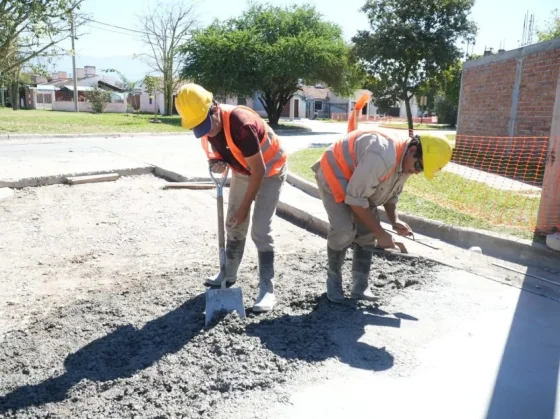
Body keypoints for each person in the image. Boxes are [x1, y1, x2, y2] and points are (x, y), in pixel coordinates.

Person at [175, 83, 287, 312]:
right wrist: (216, 162)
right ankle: (229, 273)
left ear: (214, 108)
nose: (206, 131)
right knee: (233, 224)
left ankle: (267, 289)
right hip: (244, 171)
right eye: (199, 127)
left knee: (260, 230)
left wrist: (245, 207)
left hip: (270, 171)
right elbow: (221, 154)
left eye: (207, 124)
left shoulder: (241, 124)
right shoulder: (206, 128)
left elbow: (260, 170)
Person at [312, 129, 453, 303]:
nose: (417, 172)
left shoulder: (406, 162)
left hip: (360, 180)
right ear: (412, 150)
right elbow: (356, 200)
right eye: (419, 167)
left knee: (367, 233)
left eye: (422, 170)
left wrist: (394, 220)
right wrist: (381, 234)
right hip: (335, 173)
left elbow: (390, 192)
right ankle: (334, 281)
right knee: (343, 230)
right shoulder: (382, 156)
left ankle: (360, 286)